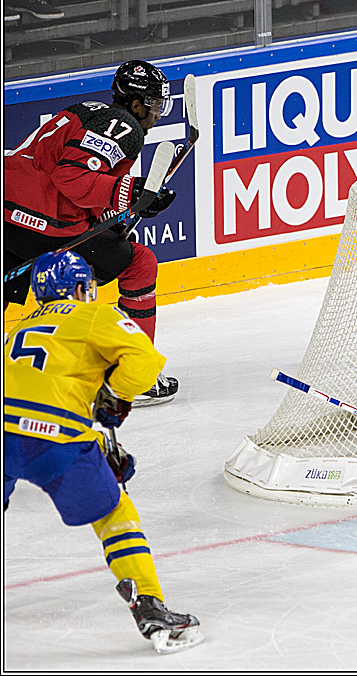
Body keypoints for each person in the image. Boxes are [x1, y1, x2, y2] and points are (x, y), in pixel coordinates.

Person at [4, 251, 203, 654]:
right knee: (115, 512)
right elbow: (145, 359)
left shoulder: (17, 328)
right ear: (79, 288)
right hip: (55, 438)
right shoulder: (93, 316)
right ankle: (148, 603)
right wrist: (114, 397)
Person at [4, 59, 179, 406]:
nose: (158, 114)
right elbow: (71, 177)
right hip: (48, 224)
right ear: (134, 104)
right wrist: (132, 192)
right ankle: (132, 377)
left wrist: (113, 217)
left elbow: (61, 169)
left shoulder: (85, 110)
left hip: (7, 211)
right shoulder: (124, 126)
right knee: (140, 263)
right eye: (155, 105)